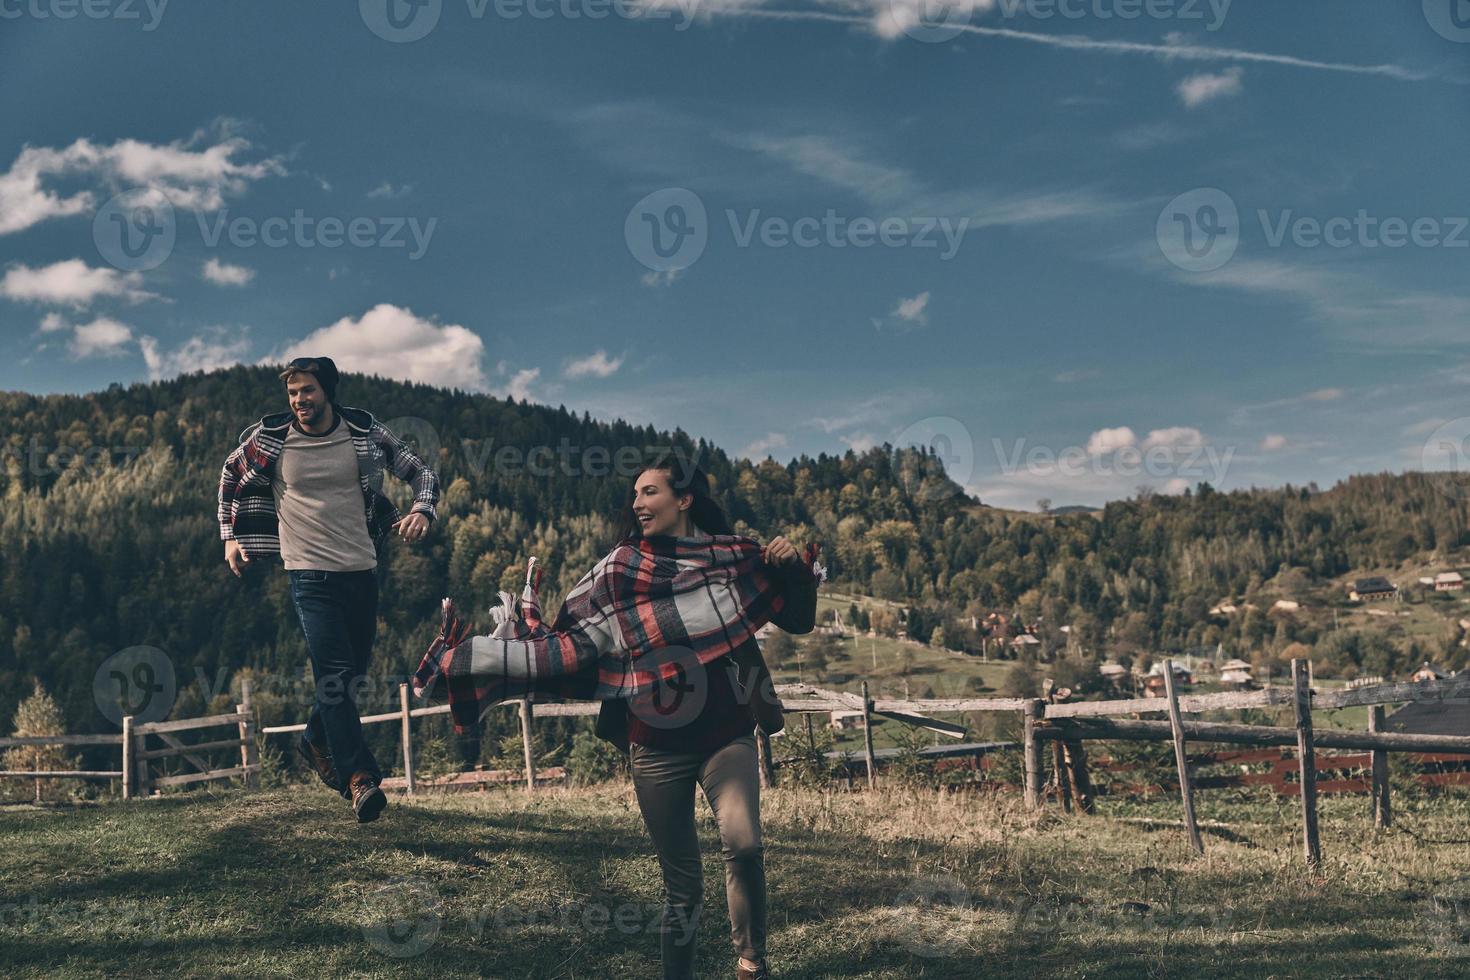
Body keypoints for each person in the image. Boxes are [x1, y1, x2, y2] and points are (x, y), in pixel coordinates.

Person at [414, 451, 817, 979]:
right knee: (683, 885)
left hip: (727, 732)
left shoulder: (733, 557)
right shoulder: (620, 568)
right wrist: (483, 656)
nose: (638, 503)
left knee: (744, 846)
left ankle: (751, 964)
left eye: (650, 492)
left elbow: (801, 621)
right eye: (635, 494)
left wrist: (794, 570)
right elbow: (572, 646)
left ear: (684, 499)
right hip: (655, 744)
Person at [217, 356, 440, 823]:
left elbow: (420, 471)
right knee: (335, 677)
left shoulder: (361, 431)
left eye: (308, 391)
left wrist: (422, 509)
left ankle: (314, 737)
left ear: (328, 392)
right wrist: (230, 536)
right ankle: (359, 779)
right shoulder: (272, 438)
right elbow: (230, 475)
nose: (299, 400)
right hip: (309, 575)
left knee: (350, 677)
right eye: (293, 392)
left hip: (361, 570)